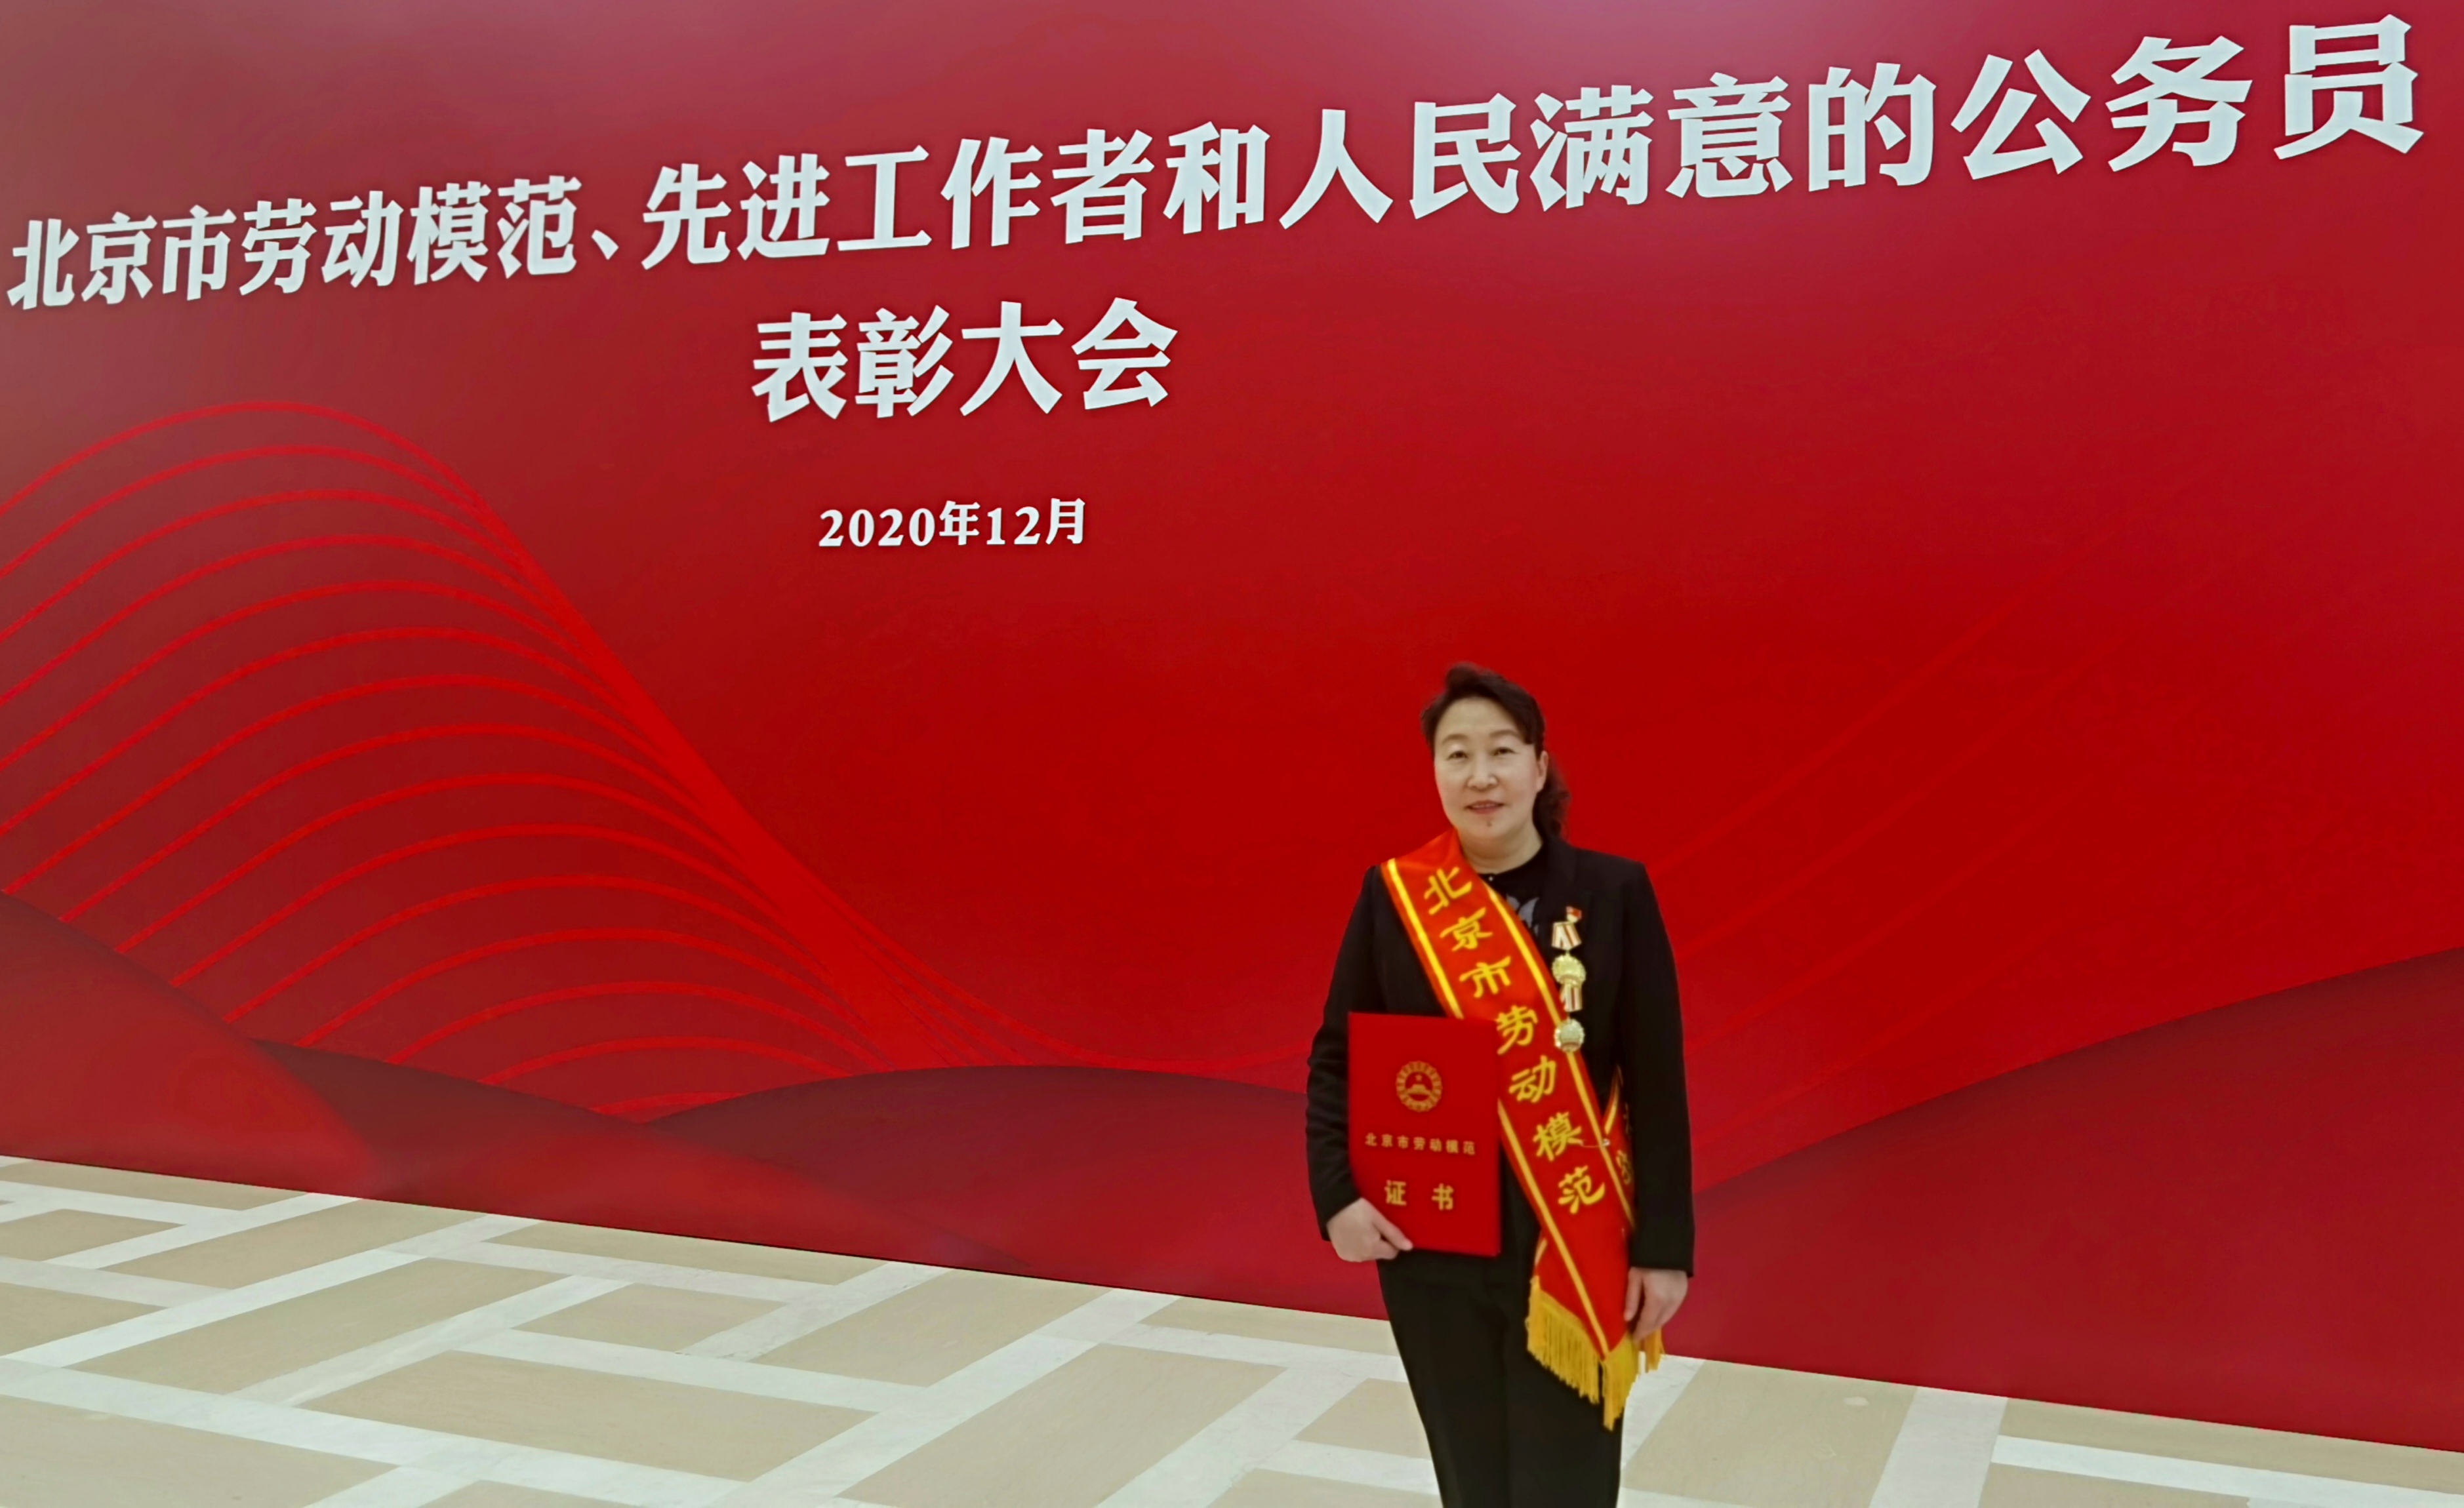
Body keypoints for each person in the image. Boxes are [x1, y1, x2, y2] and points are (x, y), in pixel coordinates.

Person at [1304, 663, 1694, 1508]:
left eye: (1502, 751)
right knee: (1470, 1476)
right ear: (1435, 772)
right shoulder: (1396, 897)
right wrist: (1337, 1198)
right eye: (1458, 755)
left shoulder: (1614, 892)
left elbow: (1657, 1079)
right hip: (1431, 1240)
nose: (1481, 776)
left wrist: (1666, 1249)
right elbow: (1338, 1056)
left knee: (1568, 1481)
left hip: (1573, 1233)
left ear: (1539, 767)